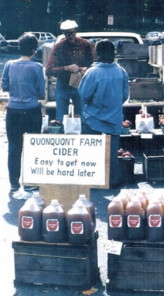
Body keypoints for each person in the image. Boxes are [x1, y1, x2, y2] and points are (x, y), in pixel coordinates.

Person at [78, 39, 129, 188]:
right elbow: (124, 96)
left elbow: (84, 95)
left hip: (93, 119)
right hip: (114, 119)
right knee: (112, 152)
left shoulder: (92, 73)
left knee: (91, 150)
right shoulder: (121, 71)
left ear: (97, 54)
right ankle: (113, 180)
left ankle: (93, 178)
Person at [1, 33, 45, 193]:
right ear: (34, 50)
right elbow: (41, 91)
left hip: (13, 110)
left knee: (14, 147)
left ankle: (14, 182)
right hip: (32, 110)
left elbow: (4, 86)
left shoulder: (9, 64)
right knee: (32, 146)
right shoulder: (38, 67)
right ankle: (30, 181)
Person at [46, 20, 94, 122]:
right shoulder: (59, 47)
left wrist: (86, 69)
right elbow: (49, 70)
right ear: (63, 33)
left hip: (80, 85)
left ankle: (81, 134)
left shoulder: (85, 44)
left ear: (76, 31)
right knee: (61, 118)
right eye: (67, 34)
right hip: (63, 85)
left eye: (72, 33)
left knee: (82, 117)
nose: (70, 36)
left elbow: (93, 65)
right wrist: (66, 68)